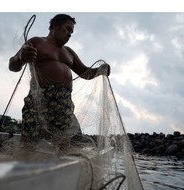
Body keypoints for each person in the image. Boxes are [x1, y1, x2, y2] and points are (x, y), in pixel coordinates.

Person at [9, 14, 110, 146]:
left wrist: (100, 70)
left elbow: (85, 73)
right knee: (30, 142)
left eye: (71, 32)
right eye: (67, 29)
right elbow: (12, 65)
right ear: (55, 26)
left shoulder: (69, 52)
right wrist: (21, 57)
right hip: (40, 99)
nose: (69, 34)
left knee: (64, 143)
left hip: (64, 102)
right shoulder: (37, 42)